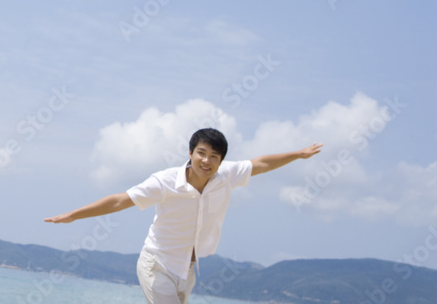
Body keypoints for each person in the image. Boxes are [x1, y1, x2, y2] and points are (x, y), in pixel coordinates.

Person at [45, 128, 322, 304]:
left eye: (214, 156)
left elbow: (261, 163)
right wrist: (74, 215)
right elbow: (119, 201)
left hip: (187, 270)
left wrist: (298, 154)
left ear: (221, 161)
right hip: (157, 264)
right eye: (201, 153)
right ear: (190, 153)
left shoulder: (225, 176)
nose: (206, 161)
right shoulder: (165, 182)